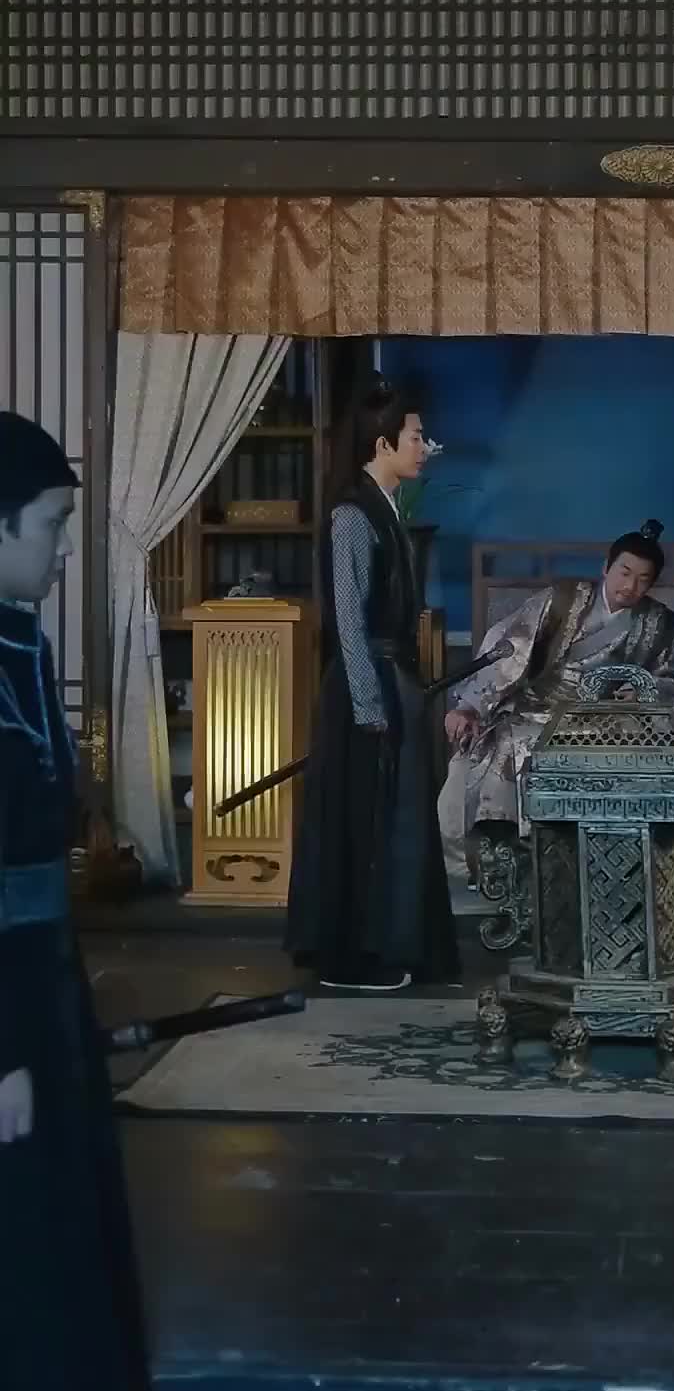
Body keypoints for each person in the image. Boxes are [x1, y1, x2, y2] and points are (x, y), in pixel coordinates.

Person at [0, 412, 154, 1391]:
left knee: (68, 1255)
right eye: (51, 524)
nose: (62, 550)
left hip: (43, 992)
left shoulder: (18, 643)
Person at [286, 378, 459, 992]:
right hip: (368, 686)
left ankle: (396, 943)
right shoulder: (352, 516)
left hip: (391, 679)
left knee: (399, 819)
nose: (424, 446)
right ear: (382, 443)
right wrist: (367, 703)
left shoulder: (385, 510)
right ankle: (352, 955)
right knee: (365, 821)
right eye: (416, 436)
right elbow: (350, 621)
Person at [438, 520, 674, 879]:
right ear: (606, 568)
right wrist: (471, 706)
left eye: (643, 579)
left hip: (602, 719)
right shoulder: (563, 599)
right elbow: (510, 648)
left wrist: (647, 687)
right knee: (500, 748)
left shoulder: (657, 622)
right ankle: (506, 858)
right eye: (624, 573)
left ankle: (597, 864)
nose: (630, 586)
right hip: (536, 709)